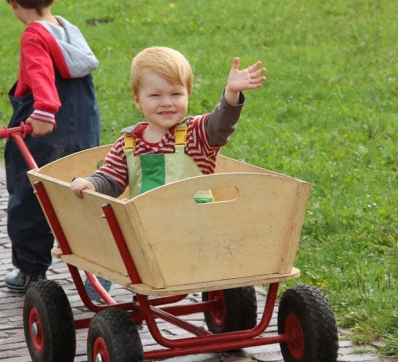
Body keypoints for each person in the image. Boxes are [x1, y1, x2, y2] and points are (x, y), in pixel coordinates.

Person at [70, 46, 266, 294]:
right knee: (109, 225)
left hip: (196, 229)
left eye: (175, 94)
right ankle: (105, 274)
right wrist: (92, 184)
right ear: (137, 100)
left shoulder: (196, 134)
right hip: (147, 233)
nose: (166, 103)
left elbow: (221, 124)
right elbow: (111, 178)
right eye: (155, 96)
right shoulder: (129, 143)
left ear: (188, 95)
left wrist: (231, 94)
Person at [0, 0, 101, 293]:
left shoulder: (34, 35)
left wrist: (43, 111)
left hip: (44, 134)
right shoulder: (69, 30)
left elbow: (42, 77)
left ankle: (31, 271)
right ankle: (98, 270)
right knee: (83, 195)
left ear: (12, 2)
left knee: (30, 200)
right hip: (85, 131)